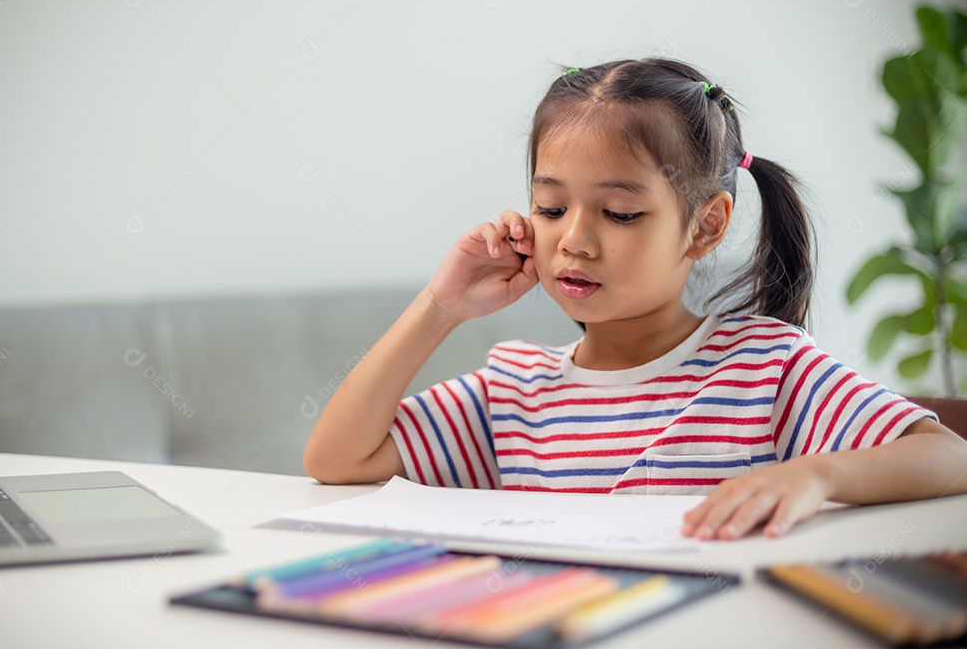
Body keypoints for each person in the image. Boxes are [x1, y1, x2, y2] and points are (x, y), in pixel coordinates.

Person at [302, 58, 967, 541]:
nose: (574, 240)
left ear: (706, 225)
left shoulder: (765, 367)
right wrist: (441, 305)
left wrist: (817, 477)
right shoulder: (515, 390)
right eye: (551, 206)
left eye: (619, 213)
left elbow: (947, 455)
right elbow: (337, 460)